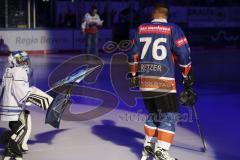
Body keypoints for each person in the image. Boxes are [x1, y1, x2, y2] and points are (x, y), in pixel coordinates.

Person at [128, 3, 196, 160]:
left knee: (155, 113)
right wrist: (186, 75)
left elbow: (132, 54)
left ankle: (147, 146)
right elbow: (184, 54)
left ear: (153, 14)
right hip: (163, 81)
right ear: (167, 15)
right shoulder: (173, 29)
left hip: (145, 80)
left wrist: (133, 75)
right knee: (170, 115)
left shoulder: (141, 29)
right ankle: (161, 151)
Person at [0, 51, 54, 160]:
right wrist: (35, 97)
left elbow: (4, 89)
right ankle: (11, 150)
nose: (25, 63)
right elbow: (21, 93)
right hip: (15, 106)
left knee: (22, 124)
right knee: (22, 127)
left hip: (8, 105)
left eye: (25, 60)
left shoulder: (8, 71)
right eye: (22, 61)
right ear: (16, 61)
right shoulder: (19, 72)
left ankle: (15, 142)